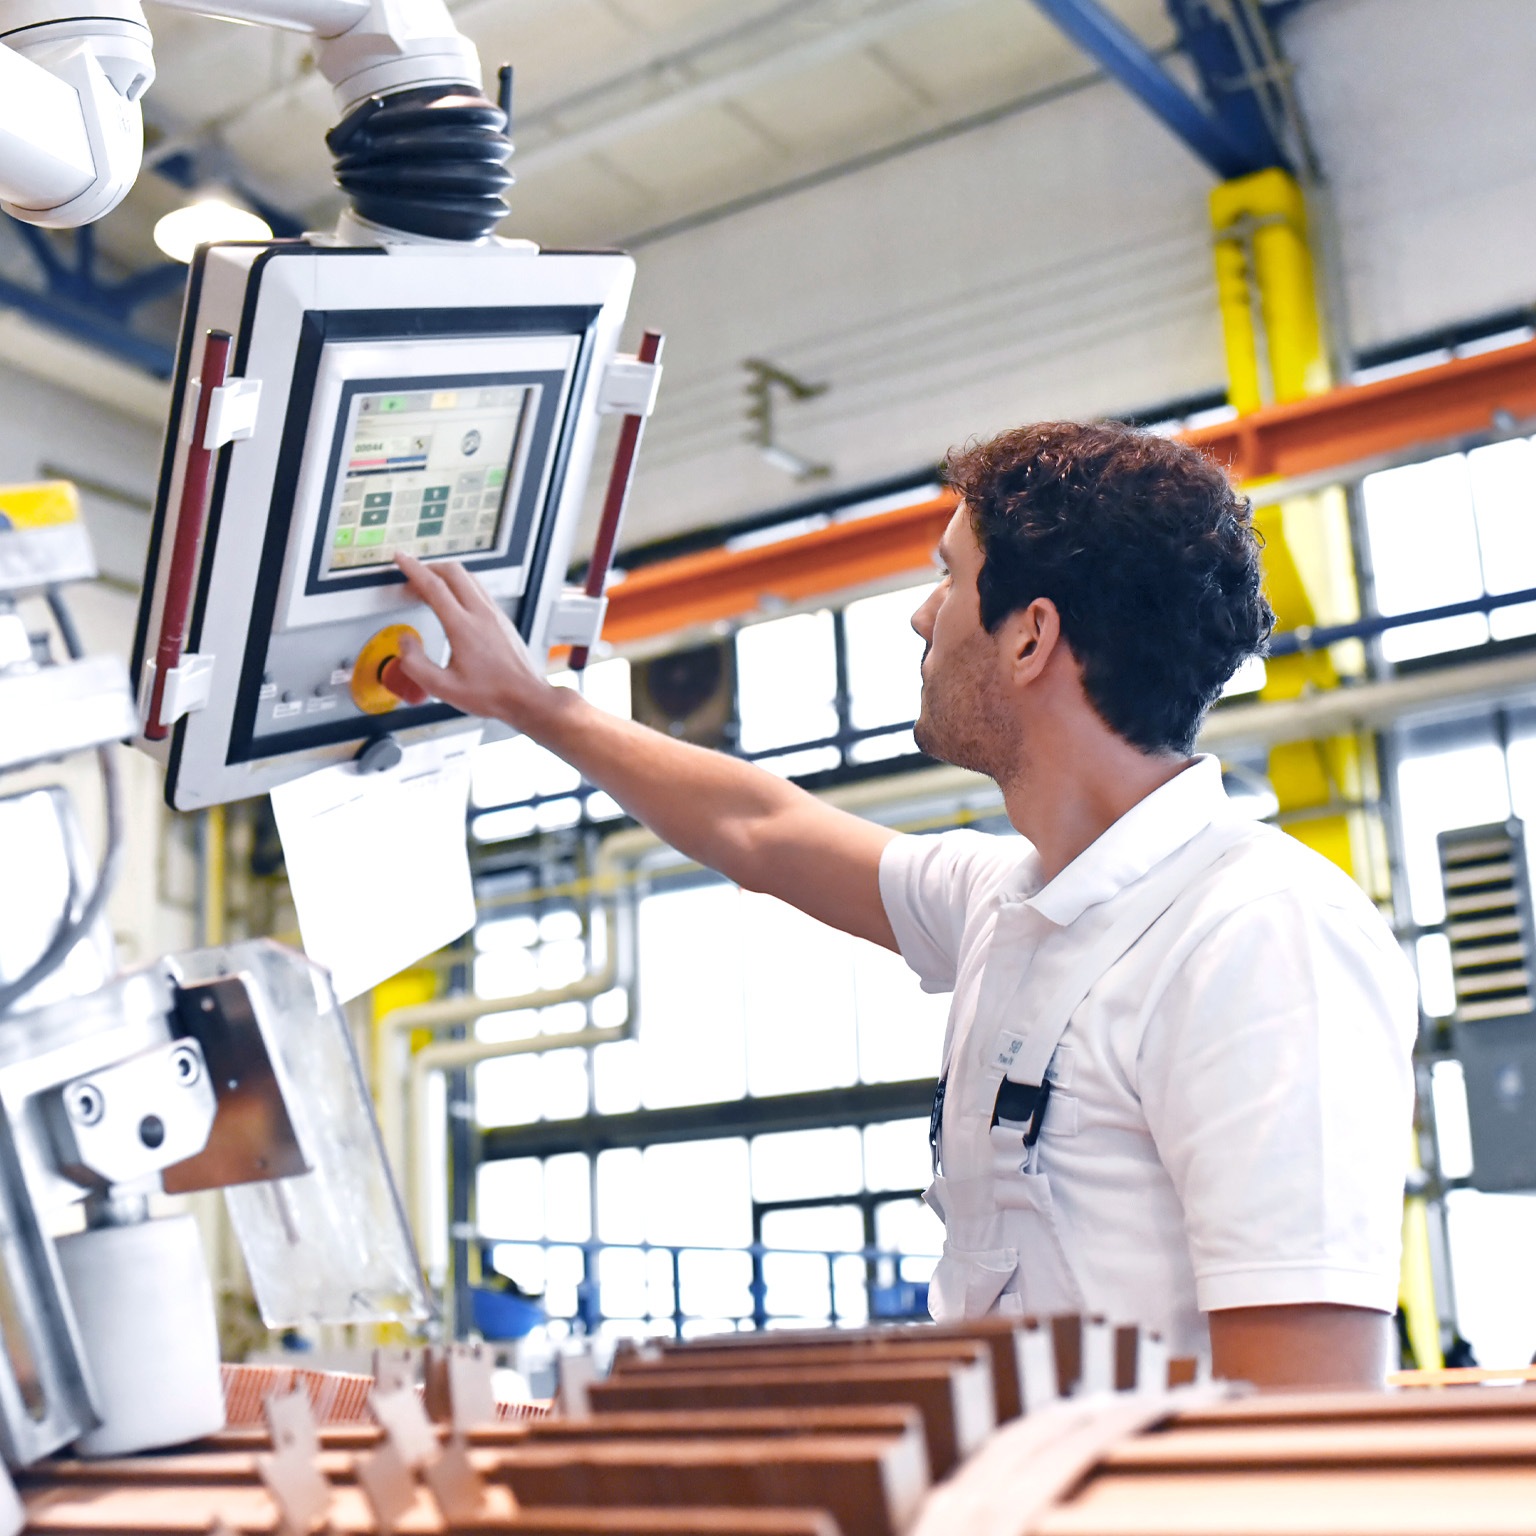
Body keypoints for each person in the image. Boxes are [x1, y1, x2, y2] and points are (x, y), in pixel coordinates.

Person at [393, 419, 1417, 1390]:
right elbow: (760, 831)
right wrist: (532, 702)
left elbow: (1307, 1402)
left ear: (1031, 638)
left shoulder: (1256, 934)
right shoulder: (1011, 905)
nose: (920, 614)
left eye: (949, 576)